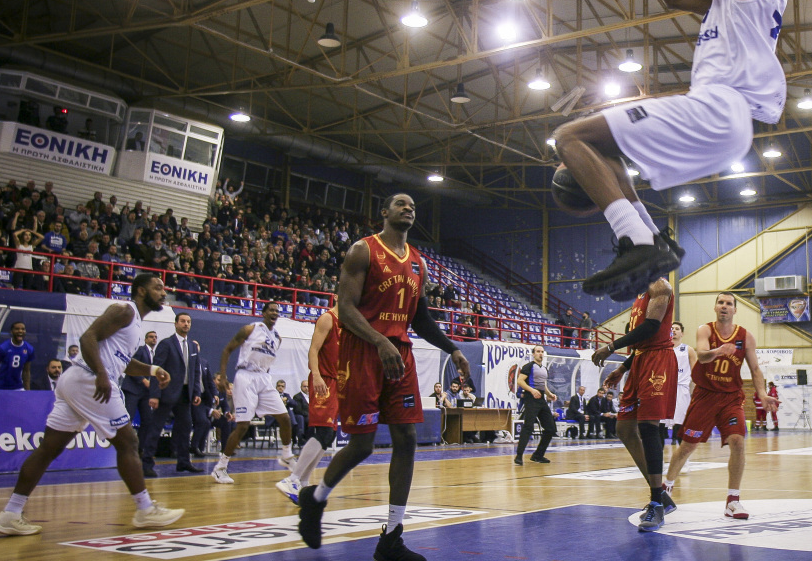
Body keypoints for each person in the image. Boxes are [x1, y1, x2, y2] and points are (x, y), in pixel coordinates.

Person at [551, 0, 789, 301]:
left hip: (718, 108)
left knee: (569, 137)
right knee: (601, 145)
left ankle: (638, 241)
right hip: (726, 120)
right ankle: (648, 239)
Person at [297, 193, 471, 561]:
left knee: (406, 438)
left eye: (413, 205)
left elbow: (421, 319)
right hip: (363, 351)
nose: (409, 207)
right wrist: (378, 340)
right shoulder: (363, 250)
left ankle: (391, 537)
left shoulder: (418, 263)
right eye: (401, 203)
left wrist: (452, 348)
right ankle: (315, 499)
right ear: (385, 212)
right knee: (361, 444)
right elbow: (345, 308)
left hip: (400, 355)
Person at [0, 273, 183, 536]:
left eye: (164, 288)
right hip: (91, 380)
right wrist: (102, 374)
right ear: (140, 291)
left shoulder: (135, 323)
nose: (163, 292)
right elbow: (87, 338)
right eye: (157, 287)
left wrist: (153, 369)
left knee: (49, 448)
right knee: (128, 442)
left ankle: (11, 512)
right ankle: (145, 508)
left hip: (76, 381)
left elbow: (122, 362)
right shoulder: (124, 310)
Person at [662, 292, 773, 519]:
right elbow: (702, 356)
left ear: (734, 310)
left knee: (738, 442)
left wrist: (762, 393)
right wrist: (718, 351)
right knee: (687, 446)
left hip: (731, 398)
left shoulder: (746, 337)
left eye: (729, 303)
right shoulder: (706, 330)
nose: (724, 306)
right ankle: (665, 490)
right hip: (705, 396)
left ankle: (733, 500)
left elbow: (755, 369)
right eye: (721, 302)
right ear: (715, 308)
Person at [594, 278, 678, 531]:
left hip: (658, 362)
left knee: (649, 427)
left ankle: (656, 504)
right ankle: (661, 495)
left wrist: (611, 347)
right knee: (624, 429)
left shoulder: (660, 287)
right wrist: (622, 367)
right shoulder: (640, 294)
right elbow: (641, 343)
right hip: (640, 361)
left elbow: (651, 327)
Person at [212, 301, 297, 484]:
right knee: (243, 425)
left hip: (264, 378)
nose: (274, 313)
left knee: (284, 417)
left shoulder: (277, 338)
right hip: (246, 376)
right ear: (264, 313)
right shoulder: (250, 329)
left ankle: (286, 455)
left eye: (277, 311)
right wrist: (224, 377)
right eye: (271, 310)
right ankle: (220, 467)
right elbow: (227, 350)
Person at [141, 313, 204, 476]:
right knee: (156, 428)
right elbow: (156, 370)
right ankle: (146, 463)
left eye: (188, 322)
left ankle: (183, 462)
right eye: (182, 321)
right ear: (176, 324)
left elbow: (195, 372)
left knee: (185, 428)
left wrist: (196, 391)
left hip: (185, 393)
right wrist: (154, 395)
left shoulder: (192, 345)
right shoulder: (166, 344)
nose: (186, 324)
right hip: (166, 392)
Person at [122, 331, 159, 473]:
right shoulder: (140, 351)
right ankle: (125, 448)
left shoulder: (155, 355)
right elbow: (130, 368)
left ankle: (140, 448)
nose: (153, 339)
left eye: (155, 337)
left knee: (148, 421)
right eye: (151, 337)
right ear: (145, 339)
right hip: (133, 389)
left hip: (145, 393)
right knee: (128, 419)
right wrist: (143, 380)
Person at [514, 345, 557, 464]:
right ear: (533, 354)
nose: (540, 354)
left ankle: (538, 455)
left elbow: (543, 384)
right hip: (531, 398)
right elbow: (520, 381)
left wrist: (549, 394)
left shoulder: (544, 368)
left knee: (550, 428)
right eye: (538, 351)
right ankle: (519, 456)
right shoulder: (529, 366)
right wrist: (531, 390)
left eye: (542, 352)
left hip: (541, 399)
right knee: (528, 427)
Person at [666, 322, 695, 445]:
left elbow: (695, 374)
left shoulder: (688, 349)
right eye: (672, 328)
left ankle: (682, 455)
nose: (674, 330)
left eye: (677, 329)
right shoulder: (662, 349)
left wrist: (694, 393)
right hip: (665, 388)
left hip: (681, 389)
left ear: (682, 333)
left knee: (680, 421)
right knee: (661, 423)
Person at [0, 322, 35, 390]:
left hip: (17, 386)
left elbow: (26, 371)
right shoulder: (2, 348)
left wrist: (27, 390)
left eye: (23, 329)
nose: (20, 331)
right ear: (11, 331)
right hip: (0, 386)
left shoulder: (29, 349)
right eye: (17, 329)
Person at [189, 348, 217, 458]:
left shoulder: (204, 362)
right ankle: (194, 446)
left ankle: (199, 448)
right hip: (192, 398)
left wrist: (215, 394)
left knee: (206, 423)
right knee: (203, 421)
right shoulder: (187, 362)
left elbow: (209, 380)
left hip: (205, 398)